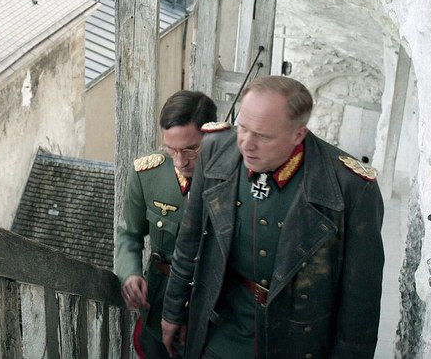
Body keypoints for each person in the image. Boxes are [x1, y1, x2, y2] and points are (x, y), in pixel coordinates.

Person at [161, 76, 385, 359]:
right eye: (243, 128)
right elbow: (189, 240)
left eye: (263, 136)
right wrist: (172, 310)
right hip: (222, 333)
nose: (246, 144)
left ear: (298, 135)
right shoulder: (215, 149)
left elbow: (361, 302)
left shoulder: (351, 187)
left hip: (298, 342)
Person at [115, 90, 225, 358]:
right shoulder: (147, 174)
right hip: (161, 301)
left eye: (190, 149)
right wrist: (130, 273)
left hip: (217, 306)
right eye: (171, 149)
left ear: (211, 134)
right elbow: (129, 235)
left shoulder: (233, 177)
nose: (180, 161)